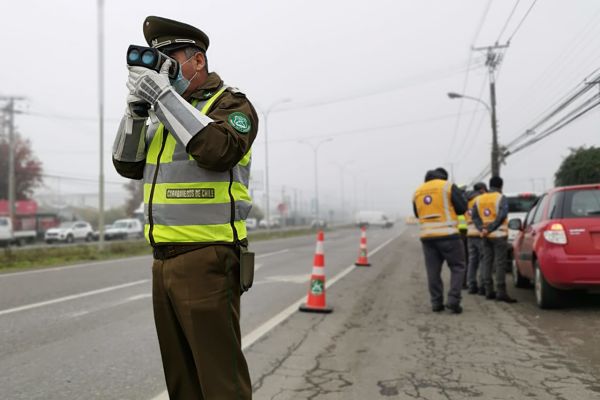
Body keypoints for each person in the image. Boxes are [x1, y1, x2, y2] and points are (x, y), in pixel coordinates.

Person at [112, 15, 258, 399]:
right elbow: (126, 165)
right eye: (156, 61)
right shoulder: (165, 115)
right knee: (182, 382)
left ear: (198, 60)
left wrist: (163, 98)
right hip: (162, 260)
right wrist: (135, 113)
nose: (162, 70)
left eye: (170, 60)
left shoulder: (229, 103)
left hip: (208, 257)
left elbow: (219, 150)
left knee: (220, 383)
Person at [413, 167, 468, 314]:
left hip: (427, 237)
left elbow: (417, 214)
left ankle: (436, 303)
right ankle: (453, 300)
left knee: (433, 271)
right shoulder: (447, 186)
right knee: (458, 266)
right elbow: (462, 208)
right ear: (444, 177)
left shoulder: (418, 191)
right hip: (449, 235)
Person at [472, 176, 517, 303]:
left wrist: (482, 229)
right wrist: (491, 228)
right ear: (501, 186)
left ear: (489, 185)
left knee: (487, 262)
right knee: (500, 263)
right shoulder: (501, 198)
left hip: (485, 236)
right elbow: (502, 215)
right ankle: (501, 292)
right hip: (499, 235)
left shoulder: (479, 199)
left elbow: (474, 216)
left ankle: (488, 291)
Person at [465, 182, 487, 295]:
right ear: (482, 189)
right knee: (483, 259)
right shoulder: (481, 199)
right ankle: (482, 286)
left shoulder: (467, 200)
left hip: (469, 232)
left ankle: (471, 285)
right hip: (479, 232)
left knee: (472, 261)